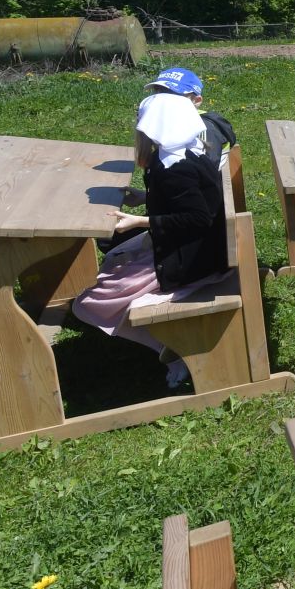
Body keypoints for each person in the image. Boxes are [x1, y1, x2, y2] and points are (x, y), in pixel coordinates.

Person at [71, 92, 230, 387]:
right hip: (196, 248)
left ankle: (171, 351)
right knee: (114, 260)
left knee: (87, 304)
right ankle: (167, 346)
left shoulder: (175, 168)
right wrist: (146, 197)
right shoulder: (189, 150)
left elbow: (198, 218)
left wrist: (141, 221)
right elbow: (190, 202)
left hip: (191, 260)